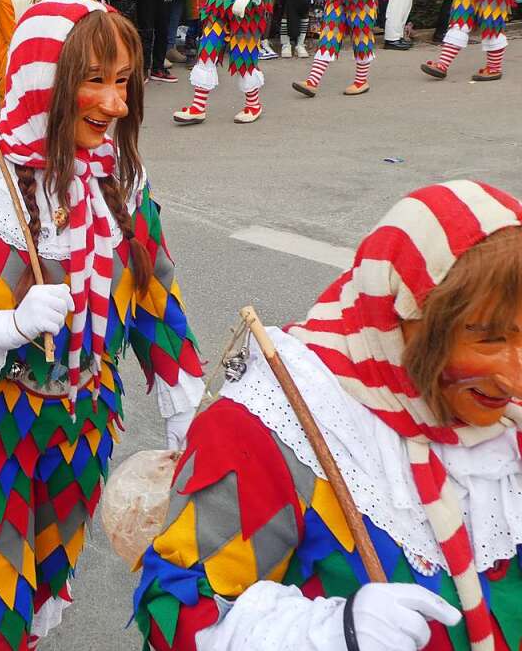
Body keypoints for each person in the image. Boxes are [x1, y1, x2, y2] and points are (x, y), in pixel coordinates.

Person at [0, 0, 204, 651]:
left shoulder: (119, 182)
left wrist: (184, 408)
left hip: (81, 428)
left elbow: (153, 298)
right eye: (95, 81)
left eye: (123, 83)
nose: (115, 105)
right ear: (43, 81)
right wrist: (0, 327)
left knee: (45, 586)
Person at [134, 179, 522, 651]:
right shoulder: (274, 423)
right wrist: (328, 633)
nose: (516, 378)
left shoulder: (505, 418)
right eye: (489, 339)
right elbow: (174, 609)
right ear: (403, 319)